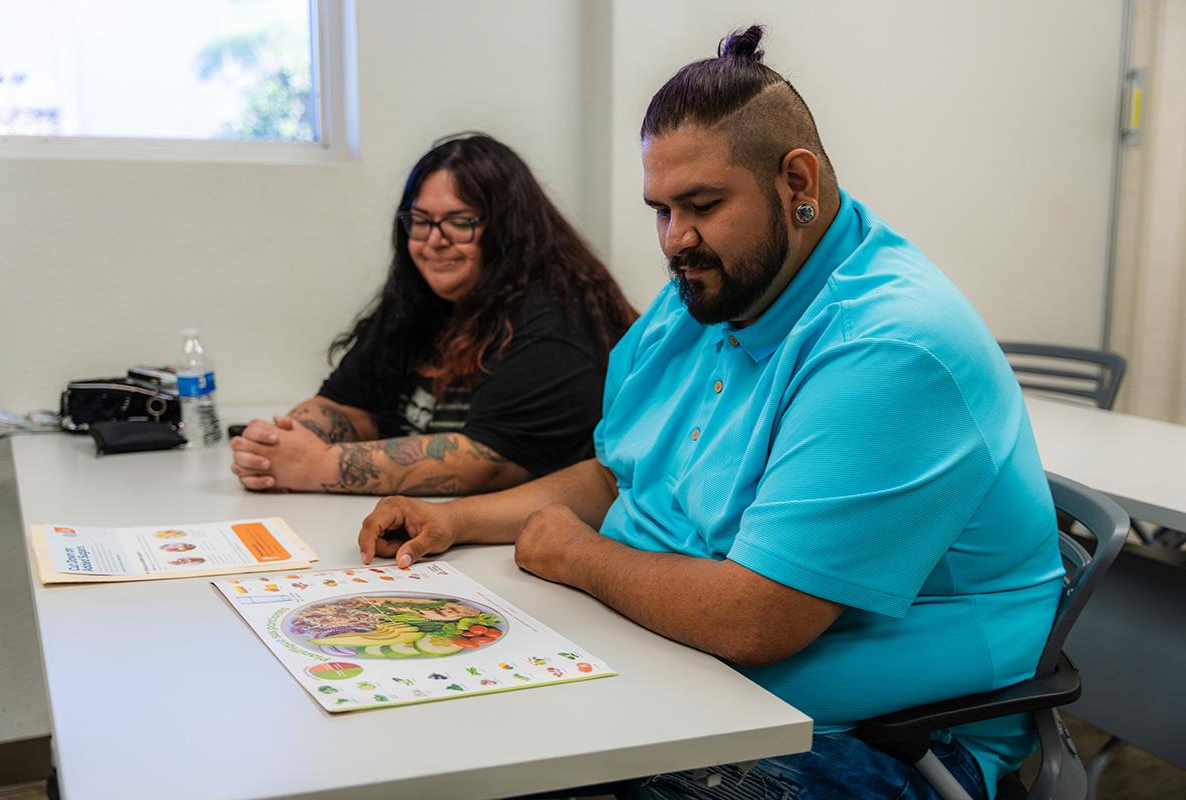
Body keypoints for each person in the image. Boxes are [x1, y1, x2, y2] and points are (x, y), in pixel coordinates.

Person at [356, 28, 1063, 800]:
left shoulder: (892, 347)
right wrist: (458, 519)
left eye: (702, 205)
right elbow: (618, 477)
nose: (675, 240)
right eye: (661, 208)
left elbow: (756, 622)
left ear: (798, 180)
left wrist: (576, 557)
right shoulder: (711, 293)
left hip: (888, 740)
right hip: (691, 678)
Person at [230, 134, 636, 496]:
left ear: (510, 229)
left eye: (459, 223)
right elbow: (349, 405)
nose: (434, 241)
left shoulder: (556, 320)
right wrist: (280, 442)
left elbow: (490, 461)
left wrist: (314, 465)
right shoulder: (420, 302)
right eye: (421, 222)